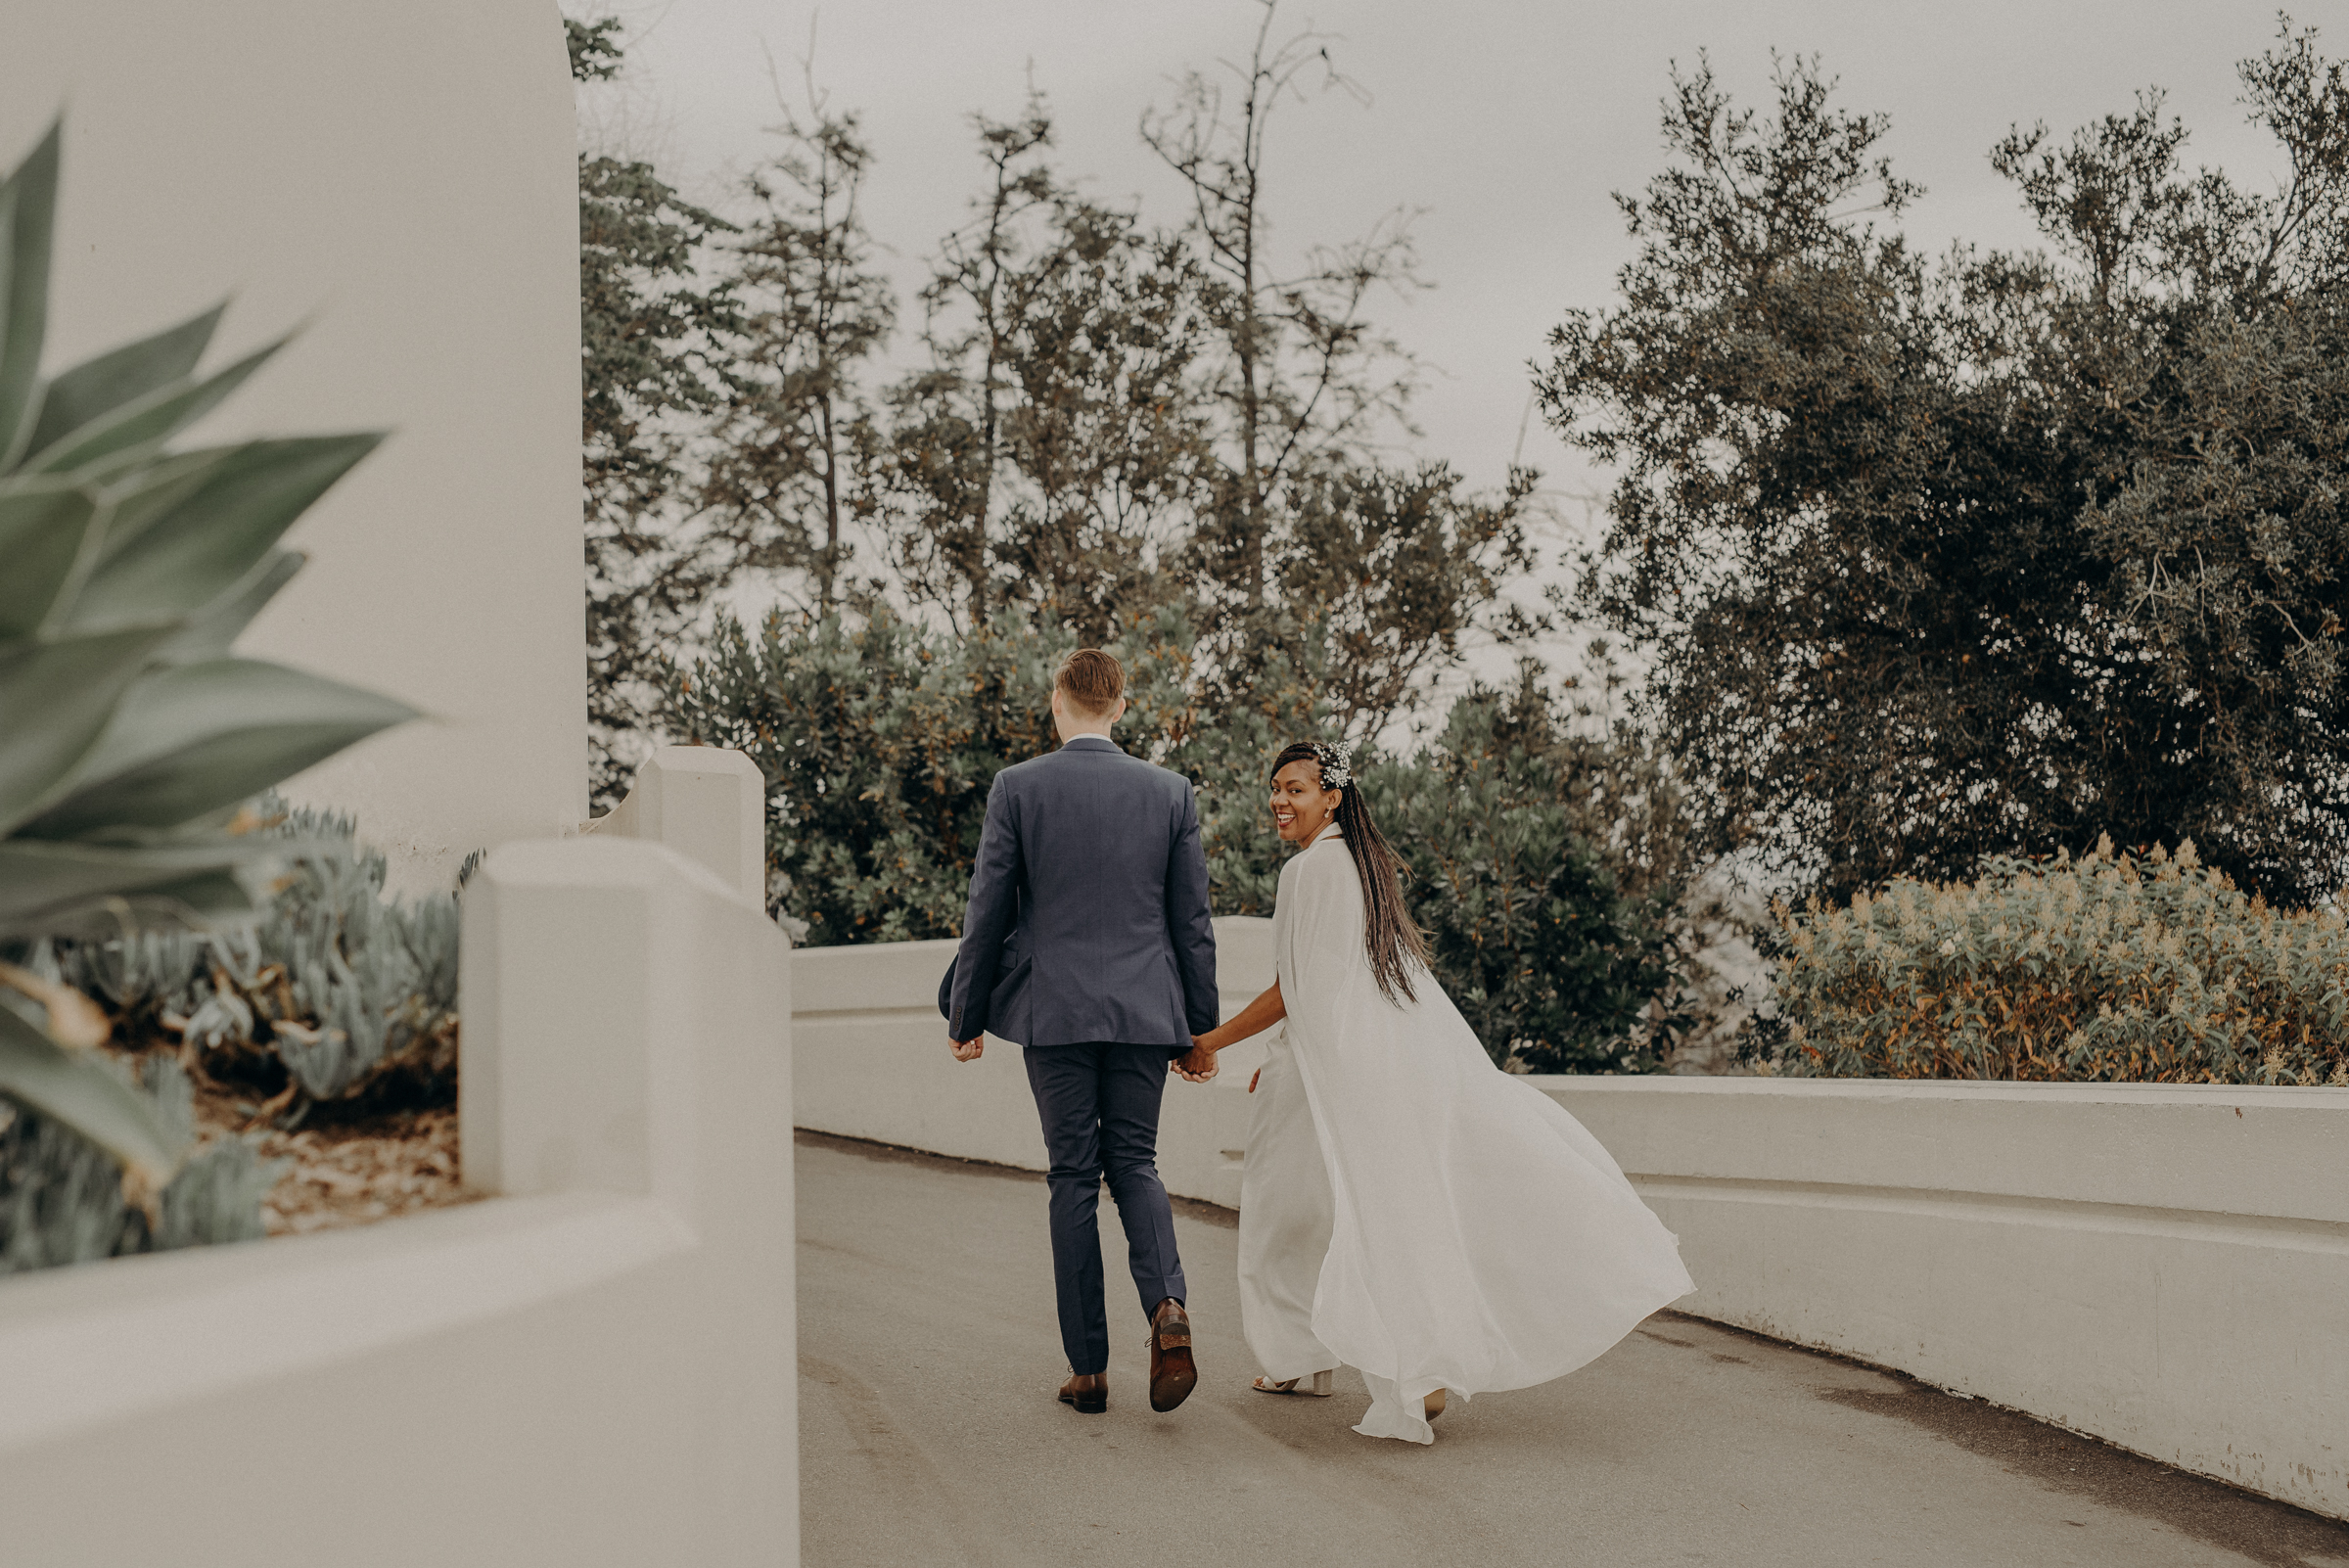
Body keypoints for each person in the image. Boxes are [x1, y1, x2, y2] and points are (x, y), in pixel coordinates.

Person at [1179, 740, 1695, 1444]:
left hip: (1329, 1069)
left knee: (1284, 1211)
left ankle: (1322, 1359)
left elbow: (1296, 990)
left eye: (1295, 788)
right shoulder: (1363, 868)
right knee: (1383, 1210)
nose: (1280, 800)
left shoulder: (1309, 871)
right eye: (1275, 788)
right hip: (1374, 1066)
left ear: (1332, 796)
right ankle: (1403, 1369)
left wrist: (1211, 1041)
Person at [944, 649, 1221, 1416]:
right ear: (1121, 708)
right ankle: (1168, 1309)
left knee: (1072, 1175)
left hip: (1055, 1012)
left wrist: (967, 1019)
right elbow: (1191, 924)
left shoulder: (1019, 787)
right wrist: (1200, 1031)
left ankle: (1089, 1371)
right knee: (1135, 1160)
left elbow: (987, 912)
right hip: (1144, 1012)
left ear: (1058, 700)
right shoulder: (1170, 792)